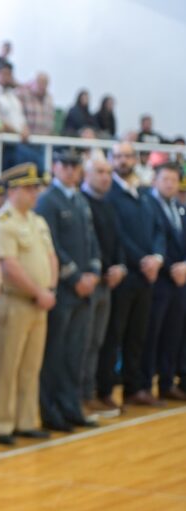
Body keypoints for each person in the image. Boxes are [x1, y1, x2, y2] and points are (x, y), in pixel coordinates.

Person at [0, 163, 56, 445]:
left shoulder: (36, 221)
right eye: (29, 188)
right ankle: (3, 424)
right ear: (13, 190)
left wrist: (50, 288)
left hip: (39, 302)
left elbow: (51, 256)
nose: (35, 193)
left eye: (35, 188)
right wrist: (39, 291)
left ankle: (25, 421)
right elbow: (9, 266)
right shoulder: (3, 222)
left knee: (31, 366)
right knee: (7, 365)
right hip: (14, 301)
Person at [35, 149, 101, 432]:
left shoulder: (80, 200)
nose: (71, 170)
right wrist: (75, 277)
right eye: (66, 165)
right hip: (64, 289)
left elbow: (92, 240)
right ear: (56, 167)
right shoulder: (48, 200)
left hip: (84, 289)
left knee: (76, 353)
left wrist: (95, 271)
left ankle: (71, 406)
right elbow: (51, 245)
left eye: (76, 165)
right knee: (56, 354)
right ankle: (52, 411)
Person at [98, 142, 166, 408]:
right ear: (111, 160)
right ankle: (105, 389)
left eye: (127, 156)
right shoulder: (110, 194)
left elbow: (158, 228)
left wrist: (157, 257)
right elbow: (119, 236)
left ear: (135, 159)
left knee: (138, 335)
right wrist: (142, 261)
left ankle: (134, 387)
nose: (123, 160)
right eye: (117, 156)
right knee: (114, 335)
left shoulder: (144, 192)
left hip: (147, 276)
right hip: (125, 275)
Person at [80, 156, 126, 417]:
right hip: (89, 282)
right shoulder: (81, 202)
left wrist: (120, 267)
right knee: (84, 343)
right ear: (86, 174)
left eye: (108, 172)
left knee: (98, 341)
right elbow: (87, 244)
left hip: (108, 282)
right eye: (99, 171)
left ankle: (93, 391)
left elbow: (118, 241)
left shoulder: (109, 204)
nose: (105, 176)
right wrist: (99, 271)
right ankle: (80, 396)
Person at [141, 163, 186, 401]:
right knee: (152, 334)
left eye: (174, 180)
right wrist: (170, 268)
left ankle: (167, 383)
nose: (170, 184)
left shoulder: (179, 207)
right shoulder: (147, 205)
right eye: (165, 179)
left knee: (173, 333)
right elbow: (153, 241)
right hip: (159, 279)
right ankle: (145, 384)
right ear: (155, 180)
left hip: (180, 281)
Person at [16, 72, 55, 137]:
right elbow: (17, 114)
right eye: (40, 83)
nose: (42, 86)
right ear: (34, 83)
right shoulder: (24, 95)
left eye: (45, 83)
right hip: (27, 137)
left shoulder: (49, 98)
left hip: (44, 137)